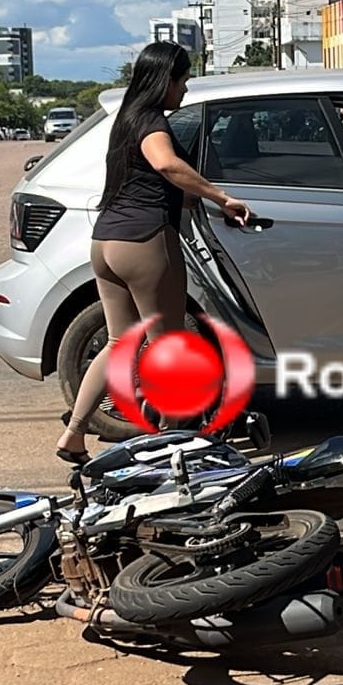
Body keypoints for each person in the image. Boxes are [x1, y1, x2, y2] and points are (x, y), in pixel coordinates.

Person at [55, 42, 252, 464]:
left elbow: (153, 179)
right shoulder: (152, 123)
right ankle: (169, 445)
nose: (184, 90)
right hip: (144, 240)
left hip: (106, 241)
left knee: (118, 342)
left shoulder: (125, 120)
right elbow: (166, 165)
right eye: (181, 80)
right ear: (165, 80)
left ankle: (73, 434)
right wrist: (221, 198)